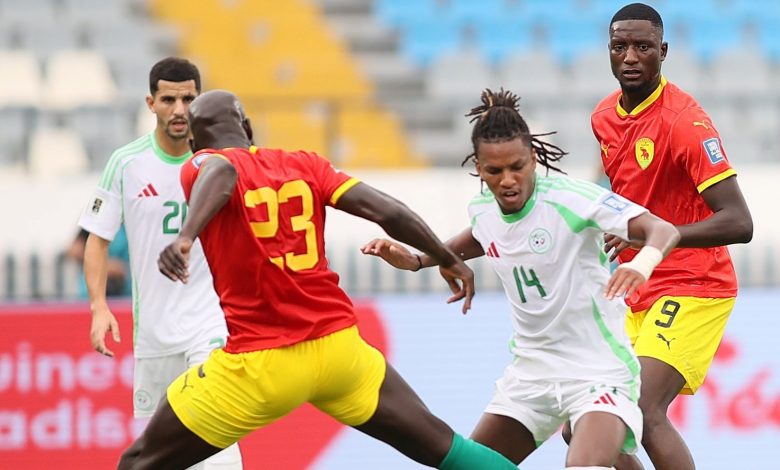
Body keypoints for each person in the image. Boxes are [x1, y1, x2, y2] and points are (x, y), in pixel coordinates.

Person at [116, 89, 521, 470]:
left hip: (261, 364)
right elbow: (387, 211)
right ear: (248, 128)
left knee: (139, 461)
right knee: (445, 447)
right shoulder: (306, 164)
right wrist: (448, 258)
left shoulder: (203, 164)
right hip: (338, 352)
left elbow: (221, 171)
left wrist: (186, 236)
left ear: (194, 144)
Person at [362, 88, 681, 470]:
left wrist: (641, 264)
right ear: (478, 167)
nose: (507, 180)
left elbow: (663, 230)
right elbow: (481, 236)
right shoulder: (483, 210)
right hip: (531, 375)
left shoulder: (572, 199)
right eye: (494, 171)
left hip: (598, 372)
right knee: (468, 466)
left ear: (533, 159)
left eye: (517, 166)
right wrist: (418, 260)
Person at [589, 4, 754, 470]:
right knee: (586, 422)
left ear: (662, 52)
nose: (630, 57)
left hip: (695, 284)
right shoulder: (603, 116)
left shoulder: (684, 122)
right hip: (636, 284)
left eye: (643, 47)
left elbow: (740, 222)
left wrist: (656, 238)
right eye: (620, 46)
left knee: (641, 408)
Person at [77, 58, 242, 468]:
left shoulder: (220, 163)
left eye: (188, 99)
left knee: (217, 441)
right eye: (169, 100)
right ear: (151, 103)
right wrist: (98, 306)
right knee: (163, 455)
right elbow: (97, 241)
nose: (180, 109)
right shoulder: (126, 163)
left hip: (211, 326)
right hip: (154, 335)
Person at [66, 226, 130, 298]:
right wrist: (103, 265)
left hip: (126, 291)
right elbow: (75, 250)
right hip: (91, 290)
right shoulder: (94, 224)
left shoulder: (128, 228)